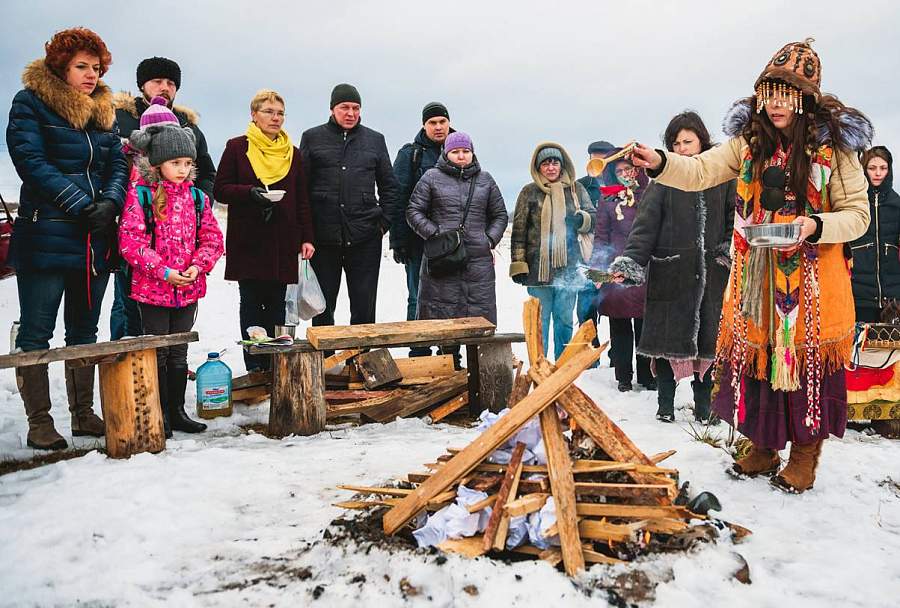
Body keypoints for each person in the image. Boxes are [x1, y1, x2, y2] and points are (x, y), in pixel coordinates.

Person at [630, 39, 871, 493]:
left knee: (805, 367)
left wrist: (813, 226)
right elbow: (699, 171)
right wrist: (660, 162)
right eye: (769, 92)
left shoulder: (834, 150)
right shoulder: (748, 145)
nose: (776, 103)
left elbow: (858, 215)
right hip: (757, 278)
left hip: (815, 284)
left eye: (786, 94)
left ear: (804, 99)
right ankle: (763, 446)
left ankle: (803, 455)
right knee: (757, 363)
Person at [6, 28, 128, 450]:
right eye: (82, 67)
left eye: (96, 68)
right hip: (46, 232)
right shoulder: (31, 103)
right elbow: (31, 161)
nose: (91, 75)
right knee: (36, 332)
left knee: (83, 330)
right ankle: (40, 422)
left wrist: (110, 204)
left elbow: (118, 164)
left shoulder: (104, 111)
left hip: (94, 239)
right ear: (61, 66)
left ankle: (83, 413)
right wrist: (80, 204)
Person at [608, 112, 735, 423]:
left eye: (688, 141)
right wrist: (633, 261)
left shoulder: (723, 179)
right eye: (676, 143)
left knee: (707, 346)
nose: (682, 148)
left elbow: (733, 221)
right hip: (671, 273)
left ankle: (705, 408)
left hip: (710, 273)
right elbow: (644, 226)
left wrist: (724, 255)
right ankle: (665, 406)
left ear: (702, 141)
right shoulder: (663, 181)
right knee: (667, 345)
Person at [119, 100, 224, 436]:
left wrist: (198, 265)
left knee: (179, 352)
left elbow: (212, 239)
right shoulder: (142, 196)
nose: (182, 168)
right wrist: (163, 271)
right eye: (175, 162)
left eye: (187, 163)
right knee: (158, 353)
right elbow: (131, 243)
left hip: (187, 289)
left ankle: (177, 411)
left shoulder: (197, 199)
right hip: (153, 290)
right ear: (158, 163)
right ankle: (158, 412)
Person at [110, 56, 217, 340]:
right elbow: (111, 167)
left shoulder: (187, 127)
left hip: (178, 231)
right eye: (157, 81)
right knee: (126, 303)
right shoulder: (119, 119)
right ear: (141, 84)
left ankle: (168, 367)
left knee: (174, 327)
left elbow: (206, 171)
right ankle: (129, 367)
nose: (164, 87)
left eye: (171, 83)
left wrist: (194, 203)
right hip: (131, 222)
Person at [214, 89, 315, 373]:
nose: (275, 118)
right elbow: (220, 189)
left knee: (277, 305)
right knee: (251, 302)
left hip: (283, 238)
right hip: (249, 238)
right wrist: (250, 193)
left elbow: (301, 198)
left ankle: (274, 366)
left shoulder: (292, 153)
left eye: (280, 113)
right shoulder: (237, 147)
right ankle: (254, 366)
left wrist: (307, 236)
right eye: (269, 112)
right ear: (254, 115)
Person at [299, 84, 400, 330]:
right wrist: (307, 232)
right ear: (332, 108)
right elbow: (301, 188)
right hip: (324, 238)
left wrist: (381, 225)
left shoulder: (375, 140)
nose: (350, 113)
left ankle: (362, 361)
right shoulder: (312, 137)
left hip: (365, 237)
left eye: (355, 108)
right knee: (322, 307)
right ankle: (323, 361)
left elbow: (390, 188)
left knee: (364, 307)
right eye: (344, 107)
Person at [407, 132, 508, 368]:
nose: (461, 155)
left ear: (472, 153)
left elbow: (500, 215)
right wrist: (436, 234)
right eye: (455, 151)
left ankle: (479, 372)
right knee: (443, 315)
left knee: (478, 317)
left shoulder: (486, 180)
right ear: (446, 153)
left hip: (477, 260)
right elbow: (414, 211)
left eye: (465, 151)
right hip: (444, 259)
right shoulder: (431, 177)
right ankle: (449, 366)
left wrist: (489, 240)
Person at [510, 143, 595, 360]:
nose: (551, 167)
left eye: (555, 162)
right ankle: (540, 366)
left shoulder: (576, 190)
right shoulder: (529, 192)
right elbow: (519, 231)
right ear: (538, 167)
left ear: (562, 164)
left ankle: (562, 367)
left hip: (569, 267)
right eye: (545, 163)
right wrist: (519, 264)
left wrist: (581, 220)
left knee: (564, 320)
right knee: (539, 322)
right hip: (538, 270)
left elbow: (594, 219)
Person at [392, 102, 454, 357]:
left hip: (453, 242)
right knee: (418, 297)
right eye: (432, 123)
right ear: (424, 125)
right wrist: (398, 241)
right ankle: (419, 353)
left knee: (451, 298)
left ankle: (450, 354)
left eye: (442, 122)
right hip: (419, 242)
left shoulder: (461, 150)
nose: (438, 127)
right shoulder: (410, 154)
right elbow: (397, 197)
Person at [591, 148, 653, 392]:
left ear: (638, 169)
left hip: (645, 264)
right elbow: (600, 236)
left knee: (644, 324)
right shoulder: (607, 197)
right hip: (615, 265)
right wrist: (598, 267)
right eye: (619, 171)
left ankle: (648, 376)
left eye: (629, 168)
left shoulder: (649, 194)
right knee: (619, 324)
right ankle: (623, 377)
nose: (625, 174)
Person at [850, 146, 900, 322]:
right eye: (872, 168)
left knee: (891, 349)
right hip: (858, 297)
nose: (878, 173)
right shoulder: (853, 205)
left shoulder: (898, 205)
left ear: (890, 169)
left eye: (883, 168)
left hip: (894, 301)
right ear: (864, 169)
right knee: (859, 348)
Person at [576, 140, 615, 325]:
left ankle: (619, 354)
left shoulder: (621, 185)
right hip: (588, 257)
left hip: (615, 259)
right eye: (594, 160)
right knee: (586, 312)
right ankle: (590, 351)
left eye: (603, 160)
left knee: (619, 314)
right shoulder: (579, 187)